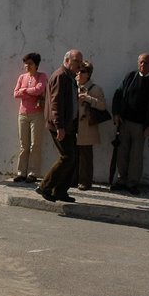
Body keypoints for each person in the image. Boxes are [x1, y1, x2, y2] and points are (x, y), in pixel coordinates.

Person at [111, 53, 149, 195]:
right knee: (122, 153)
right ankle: (121, 180)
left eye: (146, 63)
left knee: (136, 156)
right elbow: (118, 94)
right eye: (141, 62)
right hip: (125, 122)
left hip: (141, 126)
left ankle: (132, 183)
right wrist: (116, 114)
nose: (143, 65)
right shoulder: (130, 77)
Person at [37, 49, 83, 202]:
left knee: (72, 157)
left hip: (68, 124)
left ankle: (61, 191)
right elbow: (56, 103)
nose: (79, 65)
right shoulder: (60, 76)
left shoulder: (69, 77)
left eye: (80, 62)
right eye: (77, 61)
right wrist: (59, 127)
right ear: (67, 60)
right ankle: (45, 186)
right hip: (60, 124)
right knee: (67, 156)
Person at [12, 52, 48, 183]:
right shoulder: (22, 77)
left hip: (37, 114)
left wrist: (25, 91)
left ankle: (33, 173)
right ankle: (21, 172)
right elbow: (15, 93)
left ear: (36, 65)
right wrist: (29, 91)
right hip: (22, 114)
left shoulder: (42, 76)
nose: (27, 66)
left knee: (35, 145)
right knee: (24, 145)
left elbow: (39, 90)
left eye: (30, 63)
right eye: (26, 63)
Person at [74, 61, 107, 191]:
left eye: (82, 71)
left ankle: (85, 181)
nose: (79, 74)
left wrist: (88, 98)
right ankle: (73, 179)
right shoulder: (72, 86)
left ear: (88, 74)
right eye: (78, 71)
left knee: (86, 155)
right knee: (73, 154)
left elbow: (103, 106)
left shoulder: (95, 88)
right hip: (74, 125)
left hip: (87, 127)